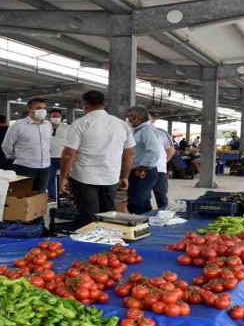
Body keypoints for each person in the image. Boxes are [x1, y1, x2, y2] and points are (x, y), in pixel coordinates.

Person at [60, 91, 135, 226]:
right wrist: (124, 176)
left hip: (85, 178)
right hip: (110, 177)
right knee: (108, 215)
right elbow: (129, 154)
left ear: (85, 105)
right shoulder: (121, 125)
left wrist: (64, 177)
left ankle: (89, 243)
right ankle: (108, 243)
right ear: (104, 104)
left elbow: (69, 153)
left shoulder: (80, 123)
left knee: (88, 216)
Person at [2, 98, 52, 192]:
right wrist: (18, 157)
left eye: (44, 108)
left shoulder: (48, 125)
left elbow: (48, 143)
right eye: (38, 108)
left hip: (45, 167)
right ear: (29, 109)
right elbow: (6, 146)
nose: (42, 110)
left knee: (39, 197)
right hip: (24, 167)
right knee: (21, 197)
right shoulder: (18, 125)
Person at [125, 106, 161, 214]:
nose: (128, 119)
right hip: (137, 171)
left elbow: (154, 151)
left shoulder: (147, 130)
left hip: (143, 172)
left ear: (137, 118)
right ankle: (146, 225)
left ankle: (141, 224)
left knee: (136, 202)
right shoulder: (138, 130)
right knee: (143, 202)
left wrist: (142, 168)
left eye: (129, 116)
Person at [148, 111, 175, 209]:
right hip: (142, 170)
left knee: (161, 196)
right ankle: (146, 218)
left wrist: (162, 162)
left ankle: (164, 215)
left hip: (159, 171)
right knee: (144, 197)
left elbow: (170, 150)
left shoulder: (161, 133)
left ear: (154, 120)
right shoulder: (134, 131)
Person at [47, 109, 70, 201]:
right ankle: (52, 196)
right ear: (50, 117)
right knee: (49, 178)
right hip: (49, 157)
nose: (55, 118)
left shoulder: (68, 128)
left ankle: (67, 195)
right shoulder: (45, 127)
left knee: (66, 177)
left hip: (63, 157)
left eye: (57, 117)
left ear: (61, 117)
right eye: (53, 116)